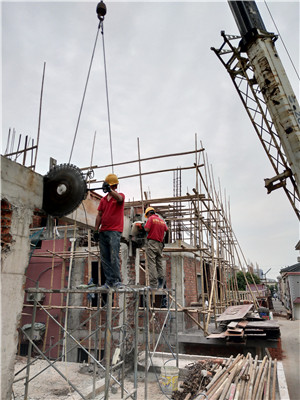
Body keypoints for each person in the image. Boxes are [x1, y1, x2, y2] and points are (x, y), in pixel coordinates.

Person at [94, 174, 125, 289]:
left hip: (114, 231)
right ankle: (109, 282)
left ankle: (117, 281)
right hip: (103, 231)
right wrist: (96, 230)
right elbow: (99, 215)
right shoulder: (103, 200)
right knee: (105, 257)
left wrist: (110, 191)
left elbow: (120, 199)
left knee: (114, 256)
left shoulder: (119, 196)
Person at [144, 207, 168, 289]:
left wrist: (144, 227)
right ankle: (161, 283)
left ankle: (153, 285)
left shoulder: (151, 218)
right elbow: (166, 229)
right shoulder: (161, 220)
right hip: (160, 244)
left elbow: (147, 229)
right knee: (159, 263)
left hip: (152, 243)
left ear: (149, 214)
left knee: (151, 263)